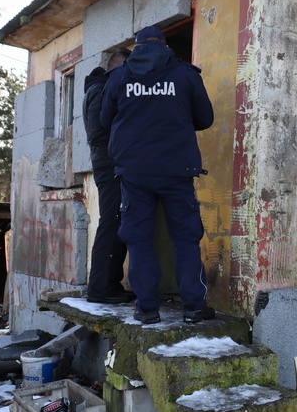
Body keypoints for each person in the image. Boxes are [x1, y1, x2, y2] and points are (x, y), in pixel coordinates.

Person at [100, 26, 215, 324]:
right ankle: (193, 307)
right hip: (176, 170)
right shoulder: (186, 75)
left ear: (136, 47)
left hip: (134, 171)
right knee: (186, 238)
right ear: (165, 46)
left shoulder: (118, 77)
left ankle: (147, 309)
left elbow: (105, 120)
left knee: (138, 239)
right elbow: (205, 118)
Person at [83, 47, 133, 304]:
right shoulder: (102, 90)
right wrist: (120, 159)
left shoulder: (99, 87)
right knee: (111, 222)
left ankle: (110, 284)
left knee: (116, 222)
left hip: (109, 165)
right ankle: (100, 288)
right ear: (117, 66)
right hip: (110, 166)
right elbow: (99, 134)